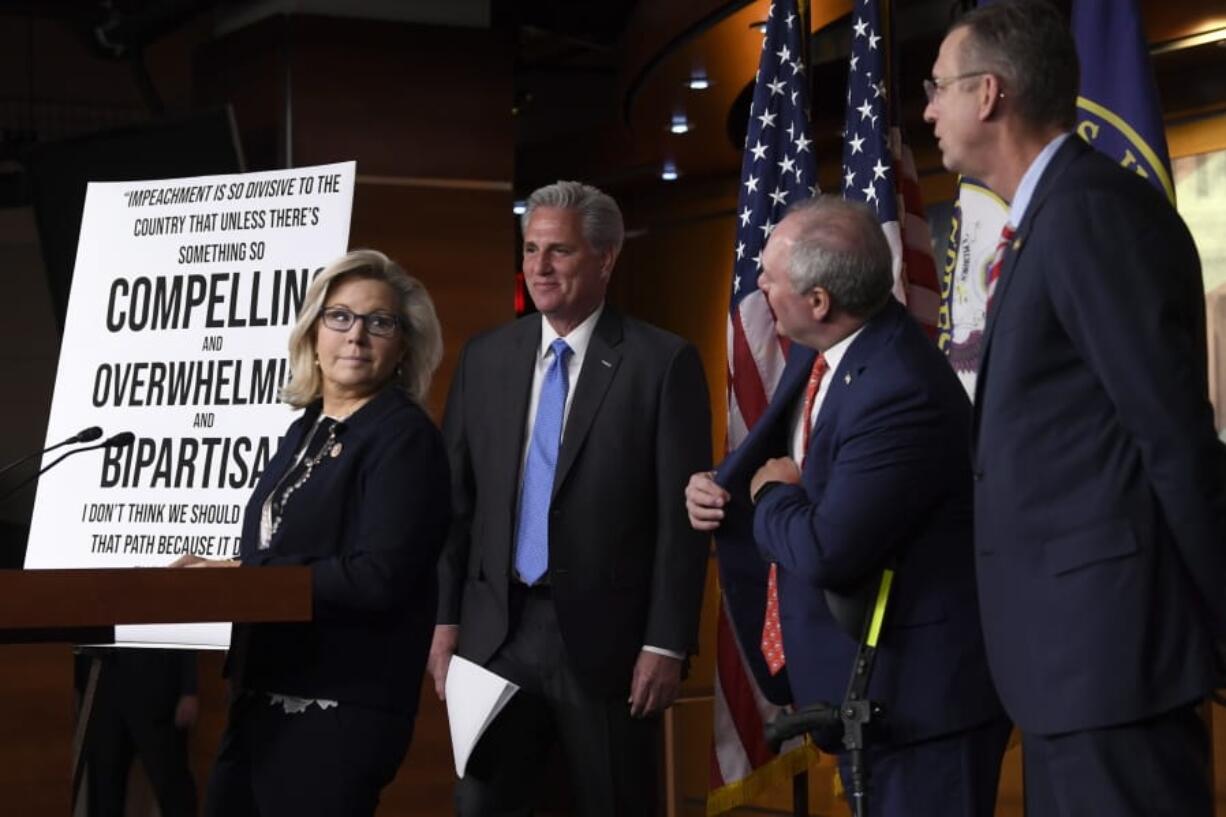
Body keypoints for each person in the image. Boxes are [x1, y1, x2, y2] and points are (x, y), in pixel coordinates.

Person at [923, 2, 1226, 814]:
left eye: (937, 87)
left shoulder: (1092, 211)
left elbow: (1169, 432)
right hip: (1067, 664)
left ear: (989, 94)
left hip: (1115, 661)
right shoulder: (1045, 219)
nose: (927, 109)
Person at [686, 196, 1008, 817]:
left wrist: (772, 496)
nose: (757, 285)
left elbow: (830, 550)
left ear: (819, 303)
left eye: (770, 277)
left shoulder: (897, 387)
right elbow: (792, 463)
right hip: (873, 699)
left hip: (924, 706)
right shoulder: (828, 355)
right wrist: (719, 487)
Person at [429, 180, 711, 816]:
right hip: (495, 632)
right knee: (482, 806)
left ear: (606, 258)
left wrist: (666, 642)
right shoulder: (486, 357)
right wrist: (446, 619)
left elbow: (680, 520)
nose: (539, 267)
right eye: (530, 249)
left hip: (606, 644)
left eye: (559, 251)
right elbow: (456, 505)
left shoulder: (661, 363)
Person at [175, 249, 451, 817]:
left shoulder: (404, 439)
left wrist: (248, 577)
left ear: (402, 346)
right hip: (261, 693)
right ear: (313, 333)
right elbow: (283, 552)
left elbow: (379, 577)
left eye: (379, 322)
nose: (357, 336)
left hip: (340, 705)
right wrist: (231, 572)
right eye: (340, 316)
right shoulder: (304, 430)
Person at [77, 649, 199, 817]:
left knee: (173, 791)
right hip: (102, 683)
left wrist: (189, 687)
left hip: (156, 684)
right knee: (104, 794)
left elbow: (185, 625)